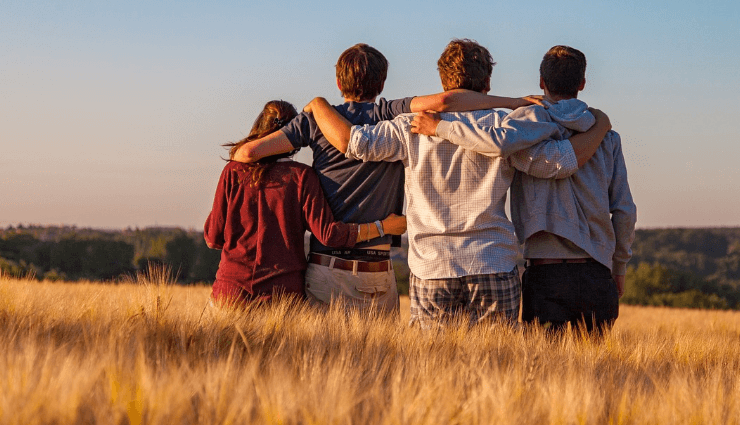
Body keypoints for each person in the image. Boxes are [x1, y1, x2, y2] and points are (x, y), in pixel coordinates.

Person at [304, 39, 611, 327]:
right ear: (487, 84)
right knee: (497, 370)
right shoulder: (507, 126)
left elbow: (353, 143)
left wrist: (318, 105)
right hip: (493, 262)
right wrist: (599, 128)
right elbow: (557, 164)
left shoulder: (409, 126)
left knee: (433, 371)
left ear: (443, 82)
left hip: (432, 267)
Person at [231, 43, 544, 313]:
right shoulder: (390, 113)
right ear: (381, 83)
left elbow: (246, 155)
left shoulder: (315, 121)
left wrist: (315, 108)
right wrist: (513, 102)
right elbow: (447, 102)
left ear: (338, 81)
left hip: (328, 266)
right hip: (380, 270)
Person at [412, 45, 636, 335]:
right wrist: (619, 267)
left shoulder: (521, 129)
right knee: (594, 374)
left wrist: (441, 127)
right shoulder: (607, 137)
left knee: (542, 371)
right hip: (597, 273)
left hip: (545, 273)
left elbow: (496, 143)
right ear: (582, 83)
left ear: (542, 82)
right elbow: (624, 210)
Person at [204, 100, 406, 308]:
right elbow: (329, 234)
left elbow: (213, 238)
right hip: (282, 297)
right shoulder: (301, 177)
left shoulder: (233, 172)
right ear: (295, 137)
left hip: (230, 292)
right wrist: (383, 227)